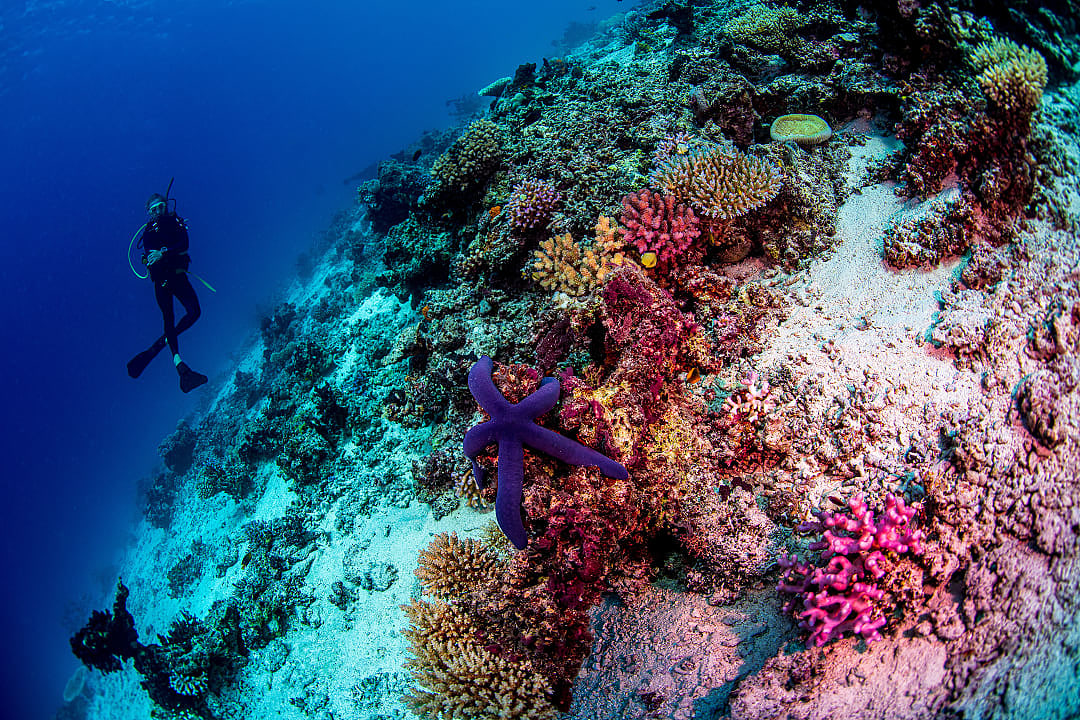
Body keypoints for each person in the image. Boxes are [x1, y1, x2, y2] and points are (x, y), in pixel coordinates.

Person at [126, 191, 208, 392]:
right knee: (168, 318)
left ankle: (160, 344)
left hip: (179, 276)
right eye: (154, 209)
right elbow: (151, 257)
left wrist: (163, 253)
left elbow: (184, 244)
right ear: (149, 212)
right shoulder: (148, 233)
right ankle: (179, 363)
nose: (159, 211)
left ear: (167, 205)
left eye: (161, 207)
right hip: (162, 282)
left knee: (195, 312)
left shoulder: (176, 223)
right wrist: (156, 257)